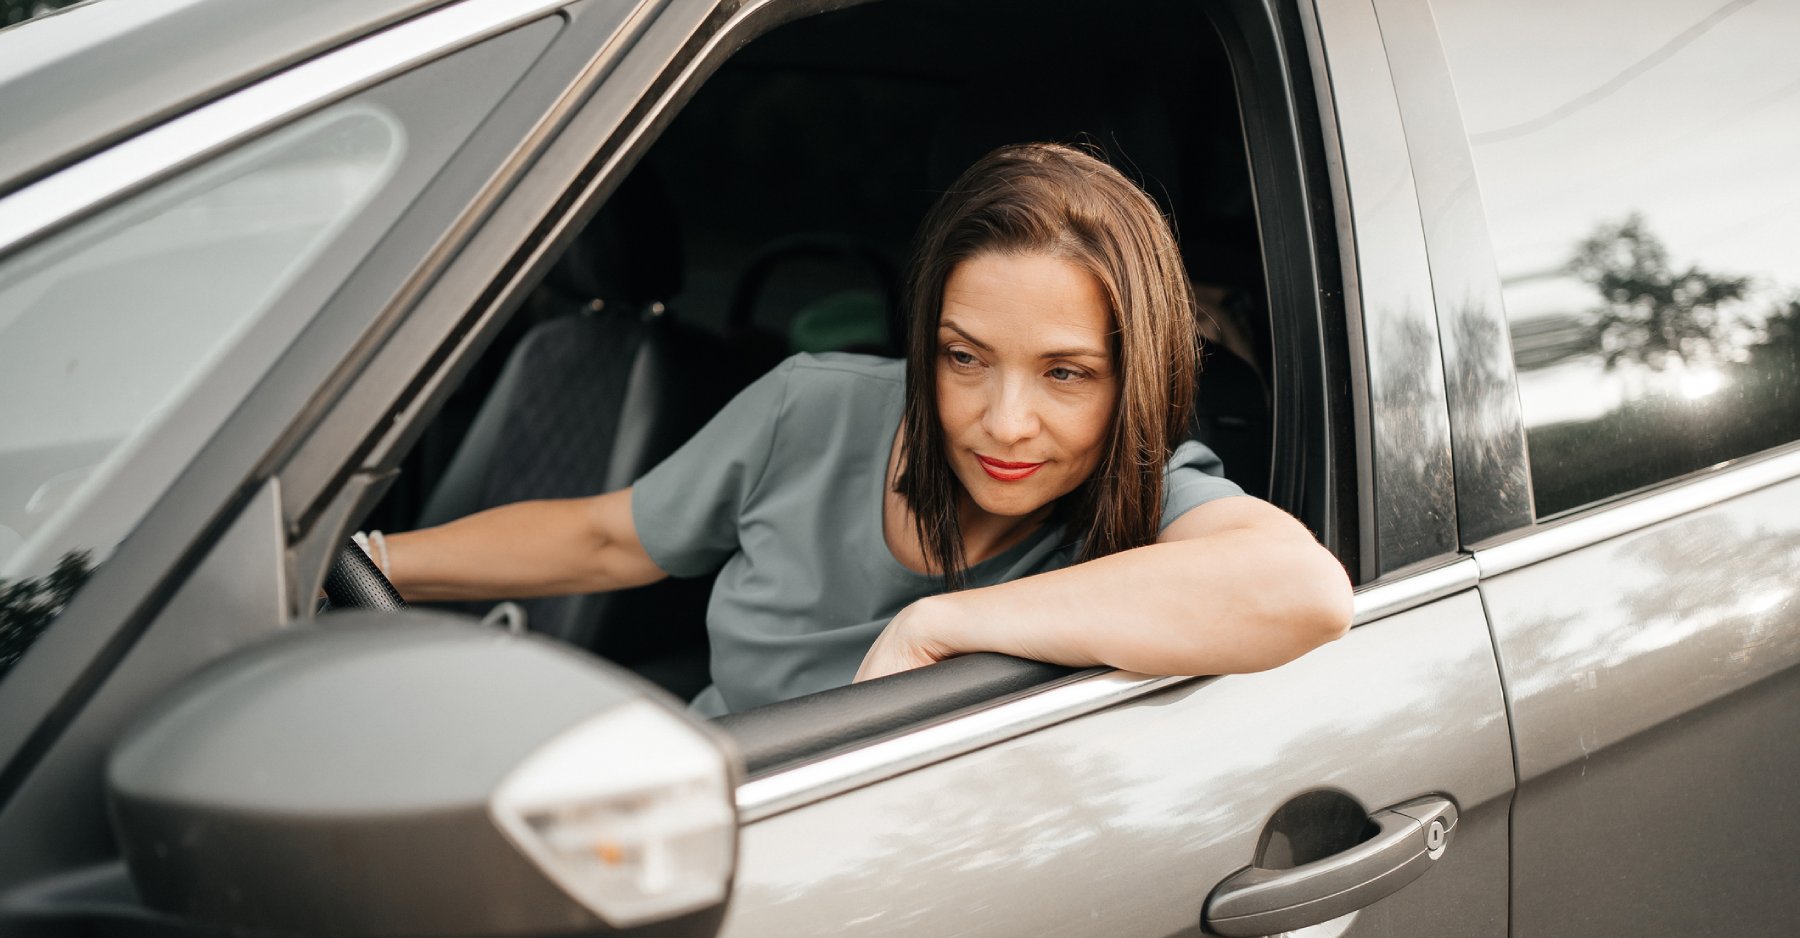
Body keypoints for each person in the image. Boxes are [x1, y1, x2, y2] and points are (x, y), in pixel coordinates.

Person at [374, 143, 1353, 716]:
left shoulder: (1146, 489)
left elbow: (1301, 589)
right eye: (963, 357)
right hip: (703, 803)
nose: (1004, 421)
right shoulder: (815, 406)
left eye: (1066, 373)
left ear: (1132, 381)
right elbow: (605, 537)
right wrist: (372, 562)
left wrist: (940, 624)